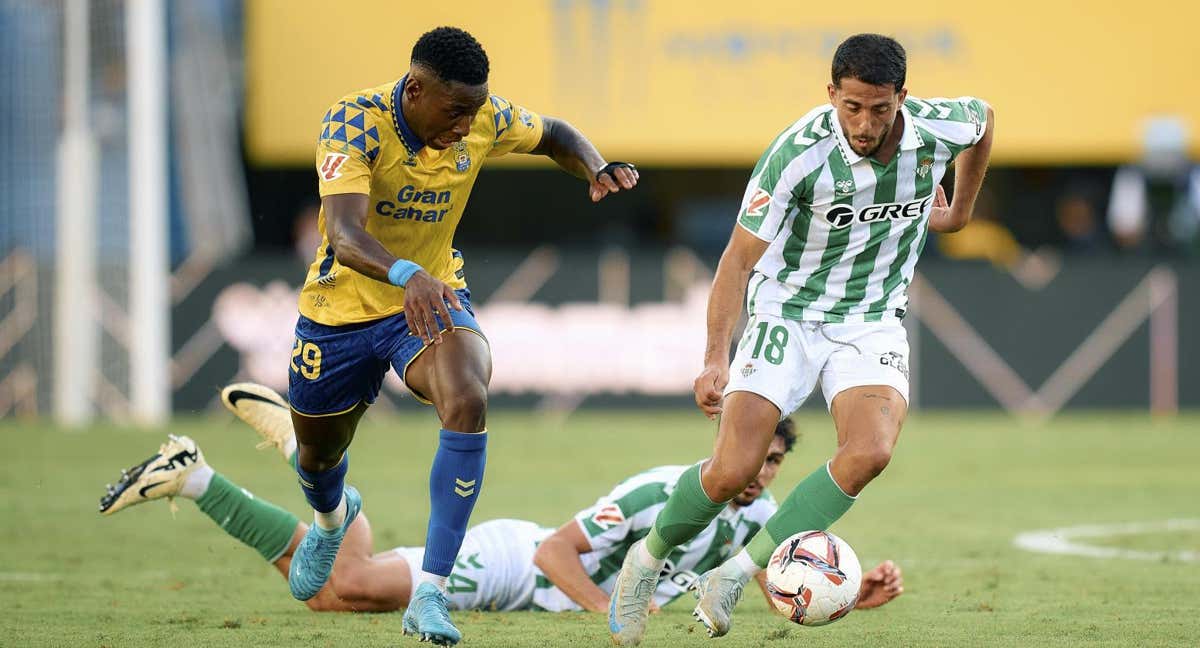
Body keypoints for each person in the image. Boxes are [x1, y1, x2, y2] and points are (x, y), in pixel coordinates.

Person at [608, 33, 993, 645]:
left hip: (870, 316)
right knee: (733, 471)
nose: (864, 124)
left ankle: (733, 575)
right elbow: (735, 262)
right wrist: (714, 358)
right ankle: (643, 563)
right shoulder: (797, 153)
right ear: (832, 95)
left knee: (871, 451)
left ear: (903, 98)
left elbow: (985, 120)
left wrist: (961, 211)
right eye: (852, 107)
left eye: (880, 108)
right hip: (786, 311)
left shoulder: (940, 128)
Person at [284, 26, 638, 645]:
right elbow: (343, 234)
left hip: (430, 298)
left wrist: (595, 163)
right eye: (454, 111)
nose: (465, 125)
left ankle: (431, 593)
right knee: (317, 455)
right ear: (415, 90)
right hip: (339, 311)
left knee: (468, 397)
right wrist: (406, 272)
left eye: (474, 111)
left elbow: (554, 132)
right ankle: (331, 519)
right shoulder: (354, 122)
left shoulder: (481, 117)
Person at [98, 383, 903, 617]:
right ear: (728, 444)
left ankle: (195, 476)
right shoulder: (664, 492)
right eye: (754, 456)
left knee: (327, 594)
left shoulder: (761, 519)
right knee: (348, 582)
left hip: (543, 595)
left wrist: (847, 598)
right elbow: (558, 551)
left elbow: (770, 586)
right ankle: (318, 466)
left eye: (773, 463)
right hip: (520, 563)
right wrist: (612, 612)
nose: (761, 474)